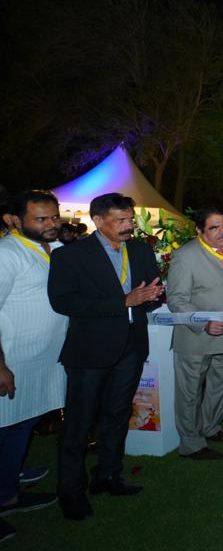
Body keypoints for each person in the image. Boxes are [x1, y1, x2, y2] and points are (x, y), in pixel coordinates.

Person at [47, 193, 164, 521]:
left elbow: (149, 292)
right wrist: (124, 301)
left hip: (131, 347)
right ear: (98, 221)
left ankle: (108, 474)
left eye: (130, 219)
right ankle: (70, 489)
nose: (129, 226)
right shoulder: (71, 256)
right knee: (80, 423)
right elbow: (64, 302)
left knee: (117, 414)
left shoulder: (140, 249)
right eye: (121, 221)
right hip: (90, 351)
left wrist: (152, 297)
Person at [0, 191, 68, 538]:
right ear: (14, 221)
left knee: (21, 425)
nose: (51, 224)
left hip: (42, 360)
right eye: (41, 220)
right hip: (11, 360)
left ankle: (8, 493)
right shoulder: (6, 254)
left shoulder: (56, 250)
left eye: (53, 217)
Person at [165, 206, 223, 461]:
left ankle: (211, 428)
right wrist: (203, 323)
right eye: (214, 227)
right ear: (200, 230)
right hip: (196, 337)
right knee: (190, 392)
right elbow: (177, 300)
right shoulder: (185, 256)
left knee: (221, 387)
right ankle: (191, 443)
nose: (222, 232)